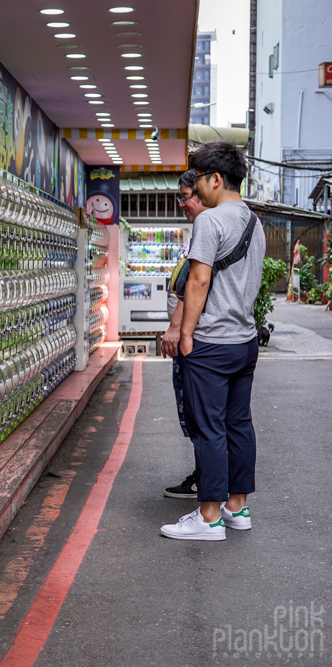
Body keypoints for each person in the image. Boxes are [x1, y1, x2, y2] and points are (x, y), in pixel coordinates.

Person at [160, 141, 264, 541]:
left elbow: (199, 279)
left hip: (211, 344)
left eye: (199, 181)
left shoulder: (210, 220)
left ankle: (208, 518)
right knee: (239, 424)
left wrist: (184, 333)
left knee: (208, 429)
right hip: (244, 340)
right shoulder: (253, 221)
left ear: (216, 178)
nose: (196, 191)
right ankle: (237, 508)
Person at [161, 170, 207, 499]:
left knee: (199, 415)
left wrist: (178, 328)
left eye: (185, 196)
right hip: (188, 343)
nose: (182, 204)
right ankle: (206, 475)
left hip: (194, 343)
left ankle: (209, 483)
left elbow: (194, 287)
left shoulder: (208, 233)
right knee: (192, 415)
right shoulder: (197, 235)